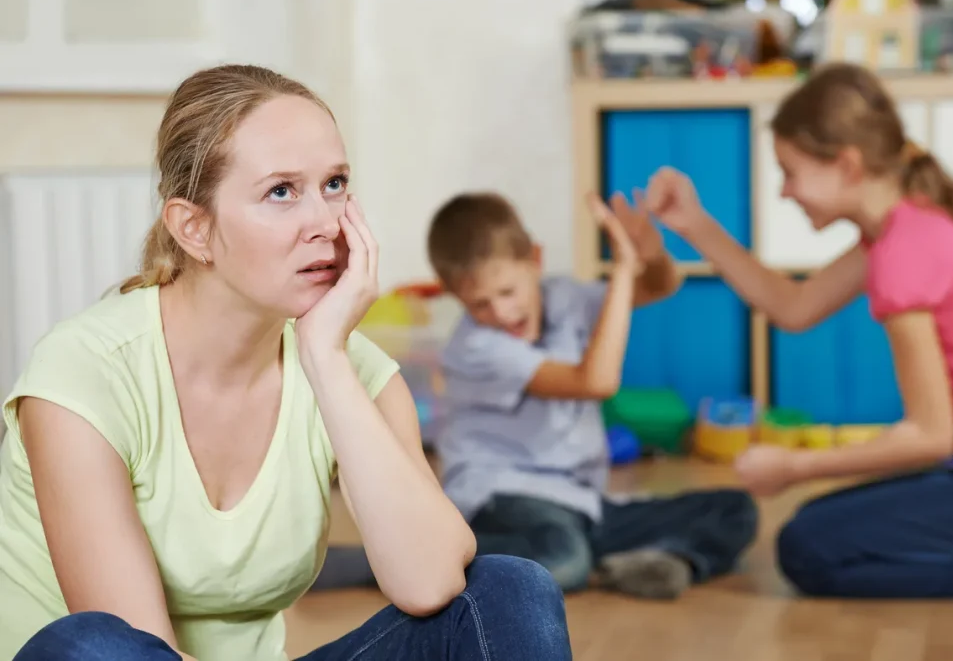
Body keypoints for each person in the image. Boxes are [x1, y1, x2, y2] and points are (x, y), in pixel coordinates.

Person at [0, 64, 573, 661]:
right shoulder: (84, 375)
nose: (326, 224)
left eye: (335, 185)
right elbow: (133, 649)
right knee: (92, 646)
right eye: (281, 191)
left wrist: (325, 357)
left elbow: (430, 582)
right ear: (193, 229)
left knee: (509, 590)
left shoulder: (352, 367)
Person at [645, 62, 953, 599]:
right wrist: (696, 225)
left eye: (791, 172)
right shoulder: (903, 226)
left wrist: (795, 465)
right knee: (816, 523)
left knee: (809, 547)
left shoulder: (903, 250)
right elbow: (794, 307)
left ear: (846, 165)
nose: (784, 192)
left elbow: (930, 437)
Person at [424, 190, 758, 600]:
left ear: (535, 260)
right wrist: (621, 269)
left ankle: (662, 560)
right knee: (563, 560)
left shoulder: (564, 297)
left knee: (734, 509)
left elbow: (660, 286)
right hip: (501, 498)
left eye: (507, 292)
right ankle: (433, 554)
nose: (500, 313)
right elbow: (596, 382)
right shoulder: (474, 347)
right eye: (479, 305)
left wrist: (649, 257)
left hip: (581, 504)